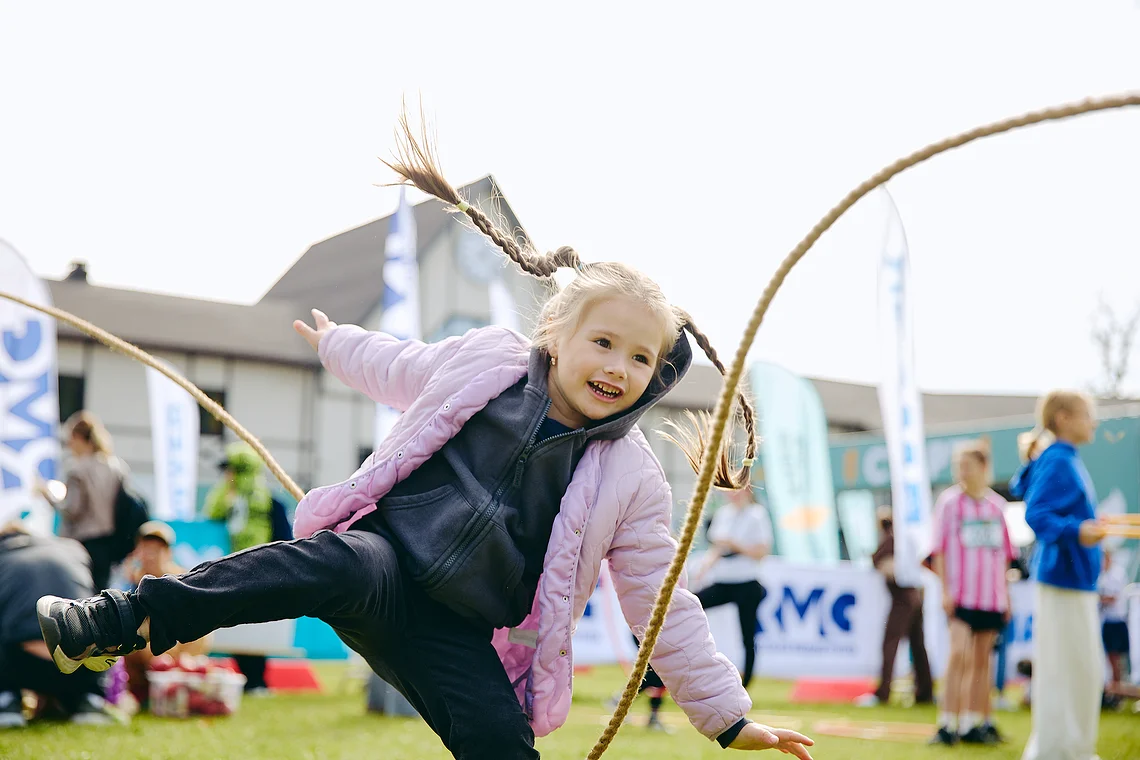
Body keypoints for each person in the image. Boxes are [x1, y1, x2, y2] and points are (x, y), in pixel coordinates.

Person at [34, 124, 814, 760]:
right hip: (377, 565)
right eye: (604, 342)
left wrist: (726, 717)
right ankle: (117, 623)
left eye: (641, 358)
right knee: (321, 559)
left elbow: (662, 601)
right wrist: (338, 343)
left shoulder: (632, 480)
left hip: (460, 632)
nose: (619, 366)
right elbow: (402, 367)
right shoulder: (489, 362)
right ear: (557, 333)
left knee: (500, 744)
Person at [1016, 391, 1107, 760]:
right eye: (1087, 415)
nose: (1093, 422)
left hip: (1074, 579)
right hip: (1063, 579)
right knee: (1068, 671)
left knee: (1080, 670)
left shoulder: (1064, 458)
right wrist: (1077, 531)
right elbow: (1036, 514)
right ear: (1064, 418)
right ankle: (1061, 750)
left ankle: (1072, 748)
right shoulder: (1057, 459)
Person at [929, 442, 1016, 746]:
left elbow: (1005, 555)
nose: (961, 472)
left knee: (982, 661)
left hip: (990, 597)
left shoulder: (996, 507)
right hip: (961, 595)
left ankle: (970, 721)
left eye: (966, 465)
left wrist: (1005, 595)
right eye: (958, 465)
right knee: (958, 655)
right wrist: (945, 590)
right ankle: (946, 722)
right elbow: (937, 550)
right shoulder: (949, 503)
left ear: (982, 467)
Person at [0, 521, 117, 727]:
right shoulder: (72, 549)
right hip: (83, 666)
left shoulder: (4, 556)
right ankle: (88, 699)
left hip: (20, 665)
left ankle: (6, 700)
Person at [202, 442, 288, 694]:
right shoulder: (221, 503)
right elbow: (208, 528)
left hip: (261, 575)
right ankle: (246, 679)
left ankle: (257, 681)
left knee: (257, 625)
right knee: (234, 623)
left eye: (232, 470)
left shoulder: (271, 503)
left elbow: (286, 541)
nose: (227, 477)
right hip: (228, 574)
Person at [120, 521, 211, 709]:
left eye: (157, 549)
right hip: (153, 653)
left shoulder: (183, 580)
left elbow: (199, 629)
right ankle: (140, 693)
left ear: (168, 552)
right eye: (146, 548)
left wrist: (182, 659)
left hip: (181, 652)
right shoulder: (133, 583)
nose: (150, 555)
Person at [692, 487, 772, 689]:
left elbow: (761, 552)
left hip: (746, 581)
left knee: (747, 634)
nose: (731, 494)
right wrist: (704, 568)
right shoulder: (723, 514)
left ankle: (746, 683)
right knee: (691, 606)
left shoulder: (757, 514)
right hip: (723, 581)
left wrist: (734, 545)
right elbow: (717, 548)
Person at [855, 506, 933, 708]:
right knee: (918, 646)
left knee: (890, 644)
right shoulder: (907, 540)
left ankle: (883, 693)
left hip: (903, 599)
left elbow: (881, 562)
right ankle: (925, 692)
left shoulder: (892, 540)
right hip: (914, 596)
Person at [36, 411, 123, 590]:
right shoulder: (116, 467)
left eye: (70, 439)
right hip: (108, 543)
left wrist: (49, 497)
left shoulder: (76, 469)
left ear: (78, 438)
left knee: (79, 598)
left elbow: (72, 510)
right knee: (101, 595)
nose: (69, 445)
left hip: (80, 544)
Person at [1098, 550, 1130, 709]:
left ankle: (1118, 693)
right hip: (1108, 622)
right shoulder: (1103, 574)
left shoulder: (1116, 574)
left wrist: (1096, 599)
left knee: (1115, 659)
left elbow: (1112, 598)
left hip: (1116, 622)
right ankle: (1114, 692)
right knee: (1110, 659)